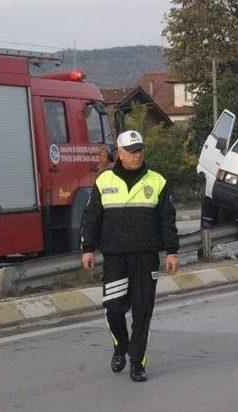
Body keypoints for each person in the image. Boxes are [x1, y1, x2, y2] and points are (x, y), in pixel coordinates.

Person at [81, 130, 179, 382]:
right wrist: (88, 248)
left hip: (146, 258)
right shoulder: (104, 181)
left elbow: (167, 220)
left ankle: (137, 363)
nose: (138, 155)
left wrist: (171, 251)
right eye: (132, 151)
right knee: (114, 309)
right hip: (115, 258)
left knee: (142, 312)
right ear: (120, 153)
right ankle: (120, 347)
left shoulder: (157, 181)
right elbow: (92, 218)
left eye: (140, 150)